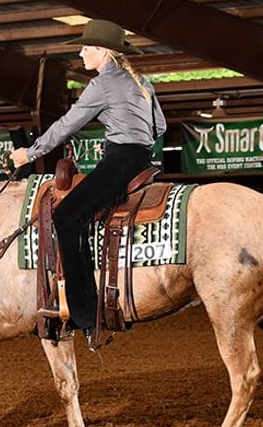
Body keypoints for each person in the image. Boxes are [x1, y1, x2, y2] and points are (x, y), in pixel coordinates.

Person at [10, 19, 167, 341]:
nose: (80, 54)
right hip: (141, 159)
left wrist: (30, 153)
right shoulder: (142, 81)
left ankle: (84, 312)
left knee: (66, 217)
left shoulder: (102, 84)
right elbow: (159, 127)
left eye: (85, 48)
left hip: (120, 160)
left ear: (103, 52)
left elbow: (68, 124)